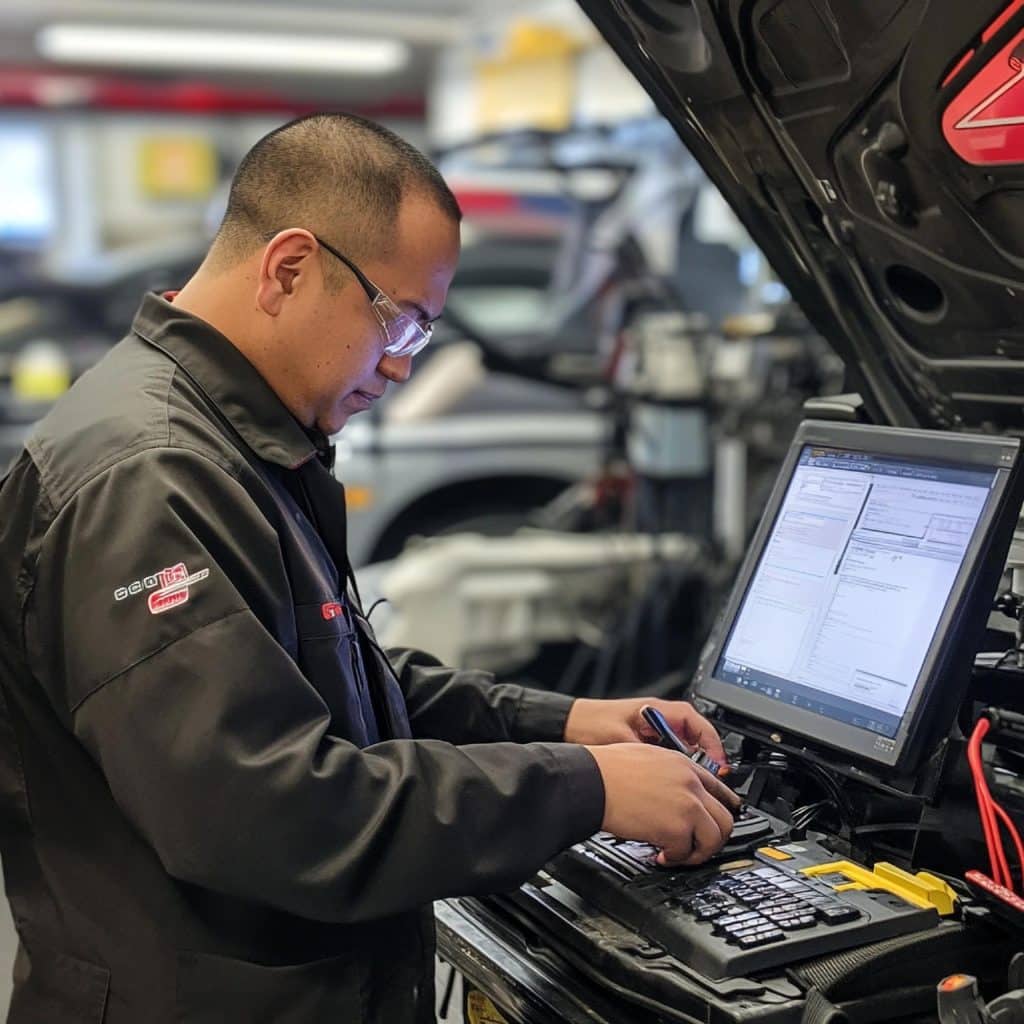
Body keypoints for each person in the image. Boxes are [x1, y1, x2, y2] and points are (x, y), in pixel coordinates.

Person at [0, 113, 740, 1023]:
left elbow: (328, 686)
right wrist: (581, 790)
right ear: (288, 268)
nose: (400, 367)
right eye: (401, 323)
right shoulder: (152, 476)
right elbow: (264, 813)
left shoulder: (227, 438)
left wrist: (567, 723)